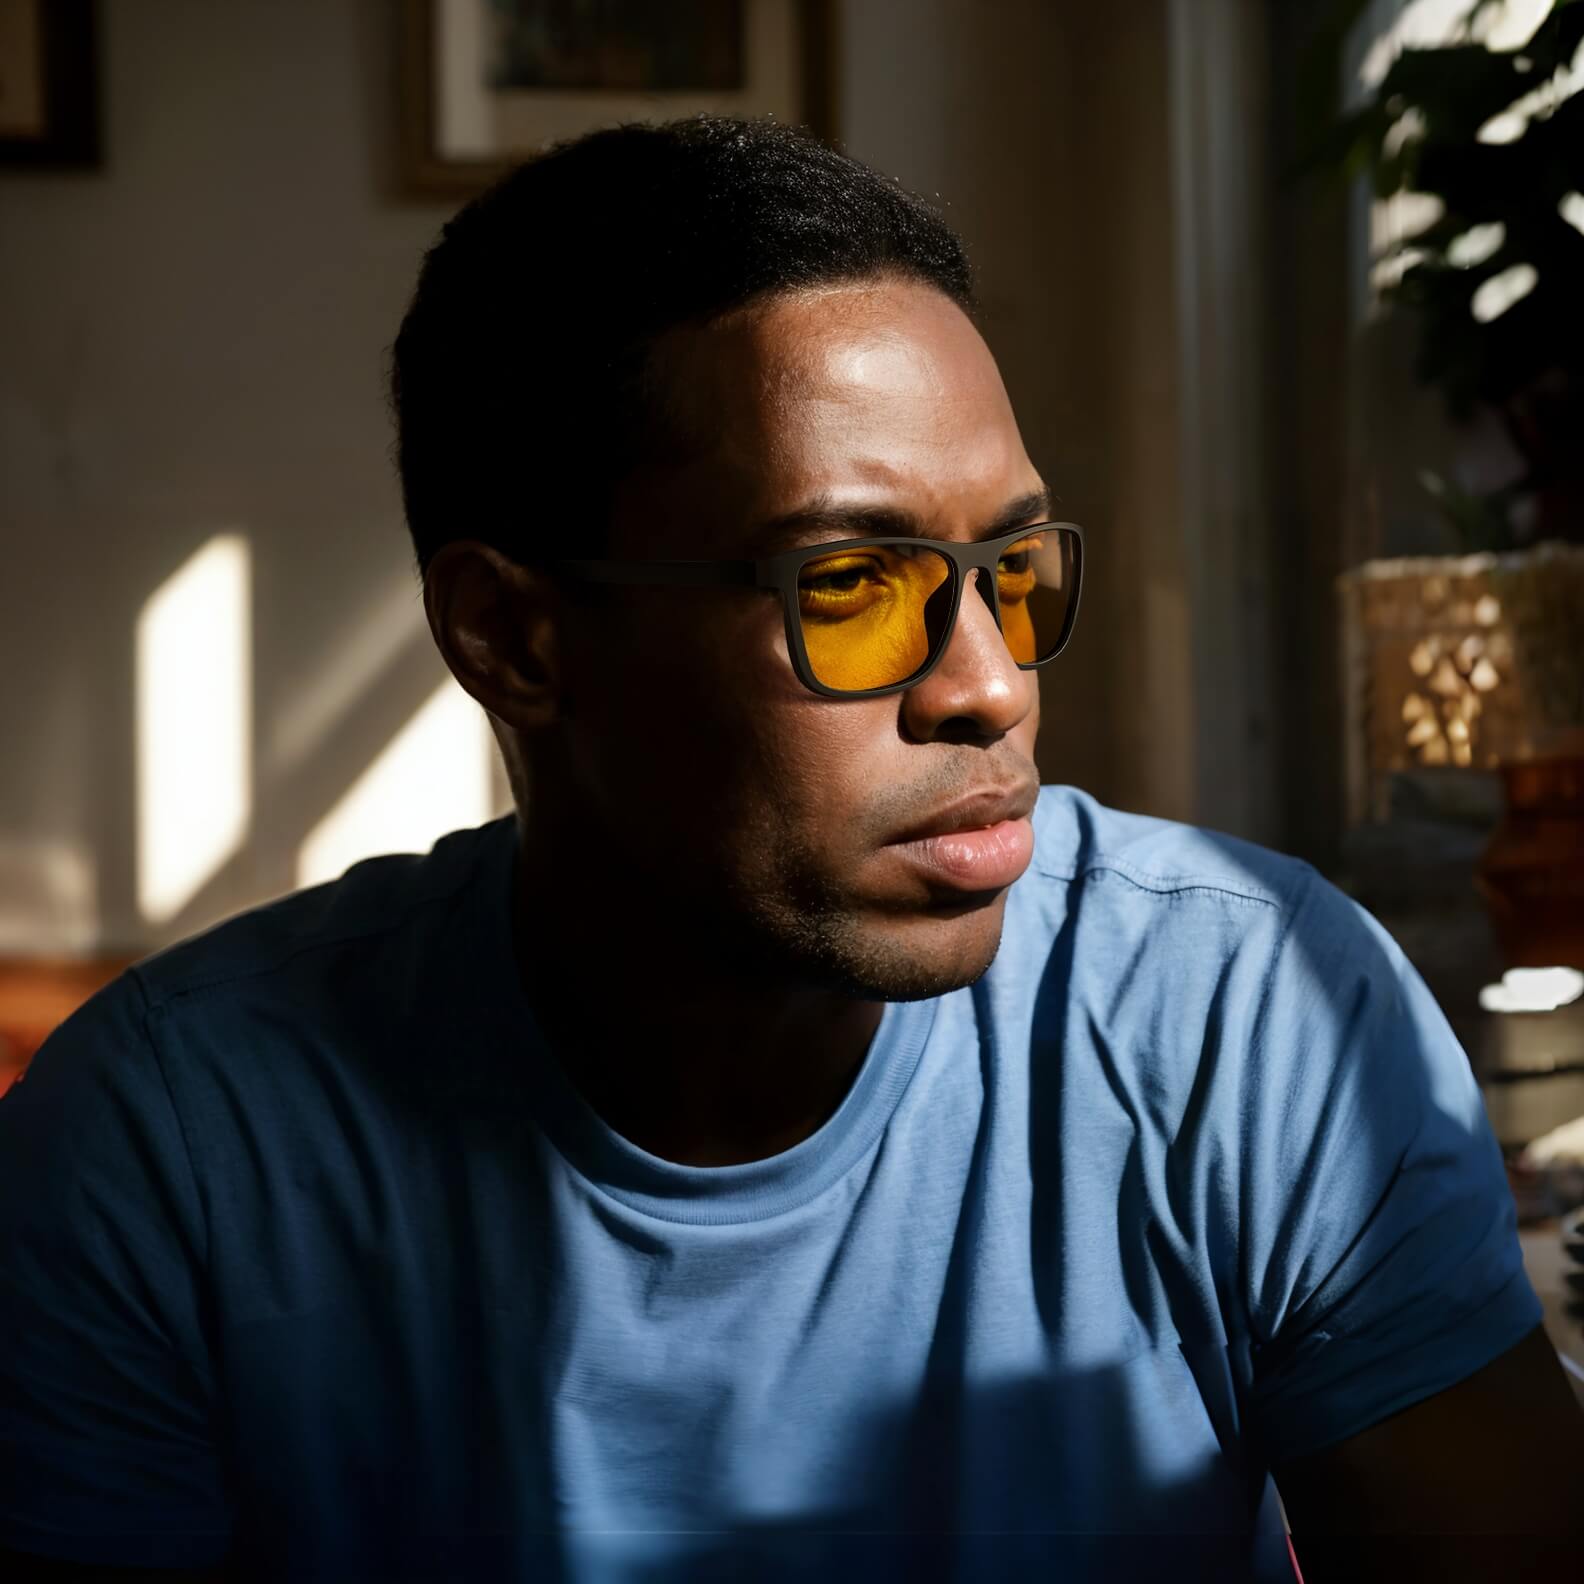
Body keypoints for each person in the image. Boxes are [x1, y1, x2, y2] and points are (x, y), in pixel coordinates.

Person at [2, 115, 1581, 1584]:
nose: (990, 683)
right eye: (852, 587)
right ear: (513, 638)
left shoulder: (1250, 1015)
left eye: (1011, 569)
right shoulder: (166, 1158)